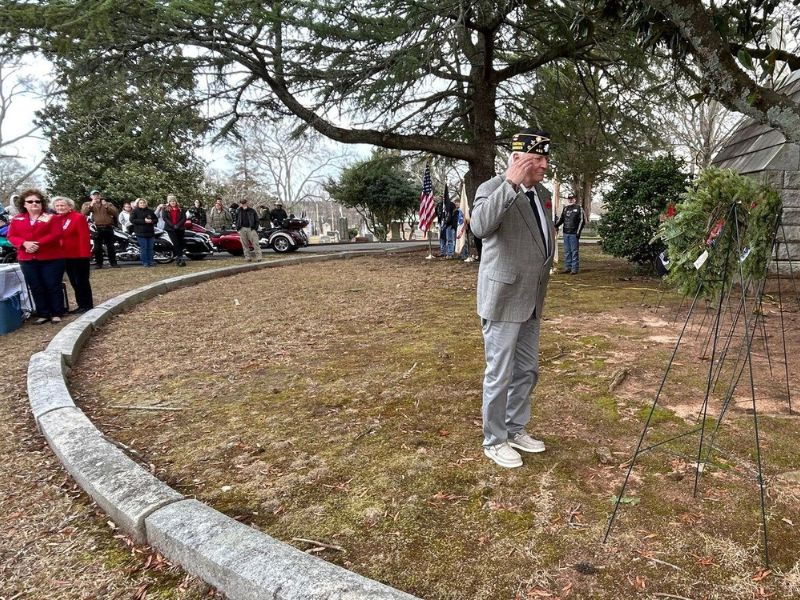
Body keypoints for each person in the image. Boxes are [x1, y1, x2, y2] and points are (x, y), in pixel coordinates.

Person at [470, 128, 555, 468]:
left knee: (527, 370)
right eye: (536, 160)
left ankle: (514, 428)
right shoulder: (491, 189)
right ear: (518, 160)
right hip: (504, 297)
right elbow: (480, 227)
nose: (544, 166)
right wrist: (510, 185)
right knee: (500, 373)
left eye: (545, 159)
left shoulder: (544, 193)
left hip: (532, 298)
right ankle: (494, 440)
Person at [7, 188, 67, 324]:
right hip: (27, 258)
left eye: (37, 201)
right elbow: (11, 236)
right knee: (36, 286)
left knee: (53, 285)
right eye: (30, 201)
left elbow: (56, 234)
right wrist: (24, 243)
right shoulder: (17, 219)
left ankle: (56, 312)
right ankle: (43, 313)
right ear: (24, 204)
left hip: (51, 257)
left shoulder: (53, 217)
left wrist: (37, 244)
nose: (34, 204)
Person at [52, 196, 94, 314]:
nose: (60, 208)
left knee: (81, 280)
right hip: (64, 255)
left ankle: (86, 304)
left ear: (69, 206)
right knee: (73, 281)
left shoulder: (78, 217)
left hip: (78, 255)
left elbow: (83, 236)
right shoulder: (56, 219)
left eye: (62, 205)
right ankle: (81, 304)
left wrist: (84, 254)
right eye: (57, 206)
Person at [81, 189, 120, 268]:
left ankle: (113, 262)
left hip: (108, 227)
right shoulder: (87, 204)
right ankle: (99, 263)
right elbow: (84, 213)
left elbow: (115, 213)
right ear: (91, 196)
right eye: (94, 195)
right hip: (96, 228)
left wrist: (106, 206)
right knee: (97, 247)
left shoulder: (108, 204)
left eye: (97, 194)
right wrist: (92, 204)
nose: (96, 196)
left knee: (111, 246)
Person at [554, 193, 586, 275]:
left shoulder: (579, 208)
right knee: (567, 251)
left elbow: (582, 221)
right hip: (566, 232)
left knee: (574, 251)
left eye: (572, 198)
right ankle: (567, 267)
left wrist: (578, 232)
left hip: (574, 233)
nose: (570, 200)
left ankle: (574, 268)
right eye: (569, 198)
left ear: (575, 199)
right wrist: (555, 226)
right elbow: (562, 219)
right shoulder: (565, 209)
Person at [130, 198, 158, 267]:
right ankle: (145, 262)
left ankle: (151, 261)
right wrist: (143, 221)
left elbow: (156, 219)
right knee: (144, 247)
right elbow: (132, 220)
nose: (143, 204)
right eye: (141, 203)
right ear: (138, 204)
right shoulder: (134, 211)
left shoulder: (150, 211)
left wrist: (151, 221)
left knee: (150, 247)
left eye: (144, 203)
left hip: (150, 232)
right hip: (140, 232)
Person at [161, 194, 187, 267]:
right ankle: (181, 258)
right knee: (176, 243)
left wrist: (178, 225)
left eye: (174, 201)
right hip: (170, 228)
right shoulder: (165, 209)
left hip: (180, 228)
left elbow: (184, 218)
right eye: (171, 201)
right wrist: (172, 225)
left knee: (181, 243)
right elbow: (165, 218)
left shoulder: (180, 209)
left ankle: (178, 257)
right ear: (169, 202)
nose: (173, 203)